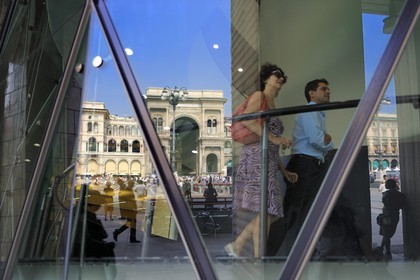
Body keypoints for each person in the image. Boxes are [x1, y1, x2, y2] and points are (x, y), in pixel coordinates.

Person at [225, 63, 298, 257]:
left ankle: (248, 251)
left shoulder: (273, 104)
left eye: (283, 75)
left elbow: (272, 145)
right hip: (256, 159)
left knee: (267, 212)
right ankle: (250, 252)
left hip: (268, 161)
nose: (281, 78)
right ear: (266, 79)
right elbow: (248, 120)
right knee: (268, 211)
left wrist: (283, 171)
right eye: (277, 74)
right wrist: (274, 138)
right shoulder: (260, 96)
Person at [274, 78, 335, 256]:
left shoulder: (318, 113)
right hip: (304, 166)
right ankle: (275, 256)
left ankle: (301, 255)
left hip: (311, 166)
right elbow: (317, 140)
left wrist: (323, 138)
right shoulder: (310, 111)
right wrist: (327, 143)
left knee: (305, 213)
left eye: (328, 89)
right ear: (312, 93)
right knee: (294, 214)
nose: (328, 91)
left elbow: (318, 139)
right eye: (324, 89)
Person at [379, 178, 405, 260]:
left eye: (387, 183)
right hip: (395, 215)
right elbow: (401, 205)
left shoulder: (387, 194)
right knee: (387, 234)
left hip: (387, 215)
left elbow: (385, 203)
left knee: (386, 233)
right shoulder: (399, 194)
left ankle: (388, 251)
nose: (385, 184)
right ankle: (381, 247)